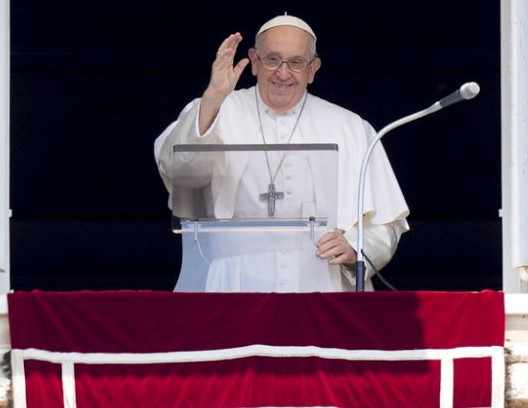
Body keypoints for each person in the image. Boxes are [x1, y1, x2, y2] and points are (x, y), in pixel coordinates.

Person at [154, 14, 409, 291]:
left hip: (322, 285)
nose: (283, 73)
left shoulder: (350, 127)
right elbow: (180, 171)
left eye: (296, 62)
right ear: (254, 61)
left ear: (313, 69)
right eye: (272, 59)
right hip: (231, 285)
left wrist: (355, 246)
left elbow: (386, 224)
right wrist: (214, 95)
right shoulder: (215, 110)